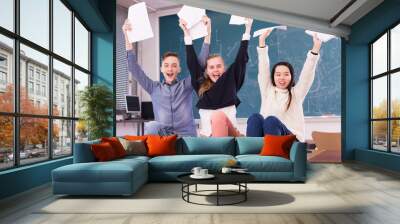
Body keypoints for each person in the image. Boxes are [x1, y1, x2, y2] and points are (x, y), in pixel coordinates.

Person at [122, 18, 210, 136]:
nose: (170, 69)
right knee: (151, 126)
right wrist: (126, 35)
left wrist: (207, 31)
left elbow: (201, 65)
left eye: (174, 66)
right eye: (166, 65)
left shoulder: (186, 85)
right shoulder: (153, 87)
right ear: (161, 69)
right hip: (164, 137)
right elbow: (134, 68)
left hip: (186, 136)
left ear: (179, 69)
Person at [180, 17, 253, 137]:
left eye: (218, 66)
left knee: (218, 117)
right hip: (208, 139)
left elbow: (241, 59)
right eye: (212, 67)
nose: (215, 70)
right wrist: (186, 33)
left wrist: (248, 29)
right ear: (207, 71)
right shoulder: (201, 85)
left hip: (231, 137)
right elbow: (192, 62)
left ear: (224, 68)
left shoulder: (230, 80)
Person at [246, 29, 322, 142]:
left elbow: (307, 73)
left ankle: (273, 156)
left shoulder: (297, 93)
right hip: (268, 139)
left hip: (291, 139)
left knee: (271, 121)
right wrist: (261, 42)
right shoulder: (268, 90)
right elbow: (263, 68)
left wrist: (315, 49)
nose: (282, 78)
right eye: (278, 74)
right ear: (273, 77)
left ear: (291, 77)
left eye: (286, 74)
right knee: (255, 118)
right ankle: (252, 155)